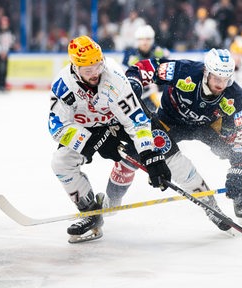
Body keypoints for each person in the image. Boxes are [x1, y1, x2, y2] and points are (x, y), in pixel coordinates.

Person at [120, 48, 242, 228]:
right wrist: (133, 82)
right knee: (131, 158)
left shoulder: (235, 95)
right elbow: (146, 67)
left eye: (226, 79)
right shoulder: (185, 71)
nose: (221, 84)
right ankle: (110, 202)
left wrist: (239, 166)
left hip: (208, 128)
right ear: (206, 71)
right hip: (170, 122)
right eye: (217, 78)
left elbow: (241, 132)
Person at [49, 35, 171, 243]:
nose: (95, 73)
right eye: (88, 70)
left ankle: (114, 199)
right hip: (84, 129)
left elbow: (136, 119)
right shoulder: (63, 85)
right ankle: (91, 212)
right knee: (61, 163)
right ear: (75, 67)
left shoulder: (114, 78)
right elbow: (56, 126)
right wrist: (89, 141)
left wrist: (150, 154)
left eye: (98, 65)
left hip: (116, 124)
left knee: (147, 154)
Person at [122, 25, 169, 111]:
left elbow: (168, 76)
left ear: (152, 40)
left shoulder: (160, 52)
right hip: (137, 91)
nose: (145, 42)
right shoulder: (130, 54)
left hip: (155, 92)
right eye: (141, 39)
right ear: (137, 40)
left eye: (148, 39)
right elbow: (123, 77)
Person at [0, 16, 15, 92]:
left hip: (6, 54)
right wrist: (0, 52)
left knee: (5, 70)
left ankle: (3, 85)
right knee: (1, 70)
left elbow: (10, 42)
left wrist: (7, 50)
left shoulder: (9, 33)